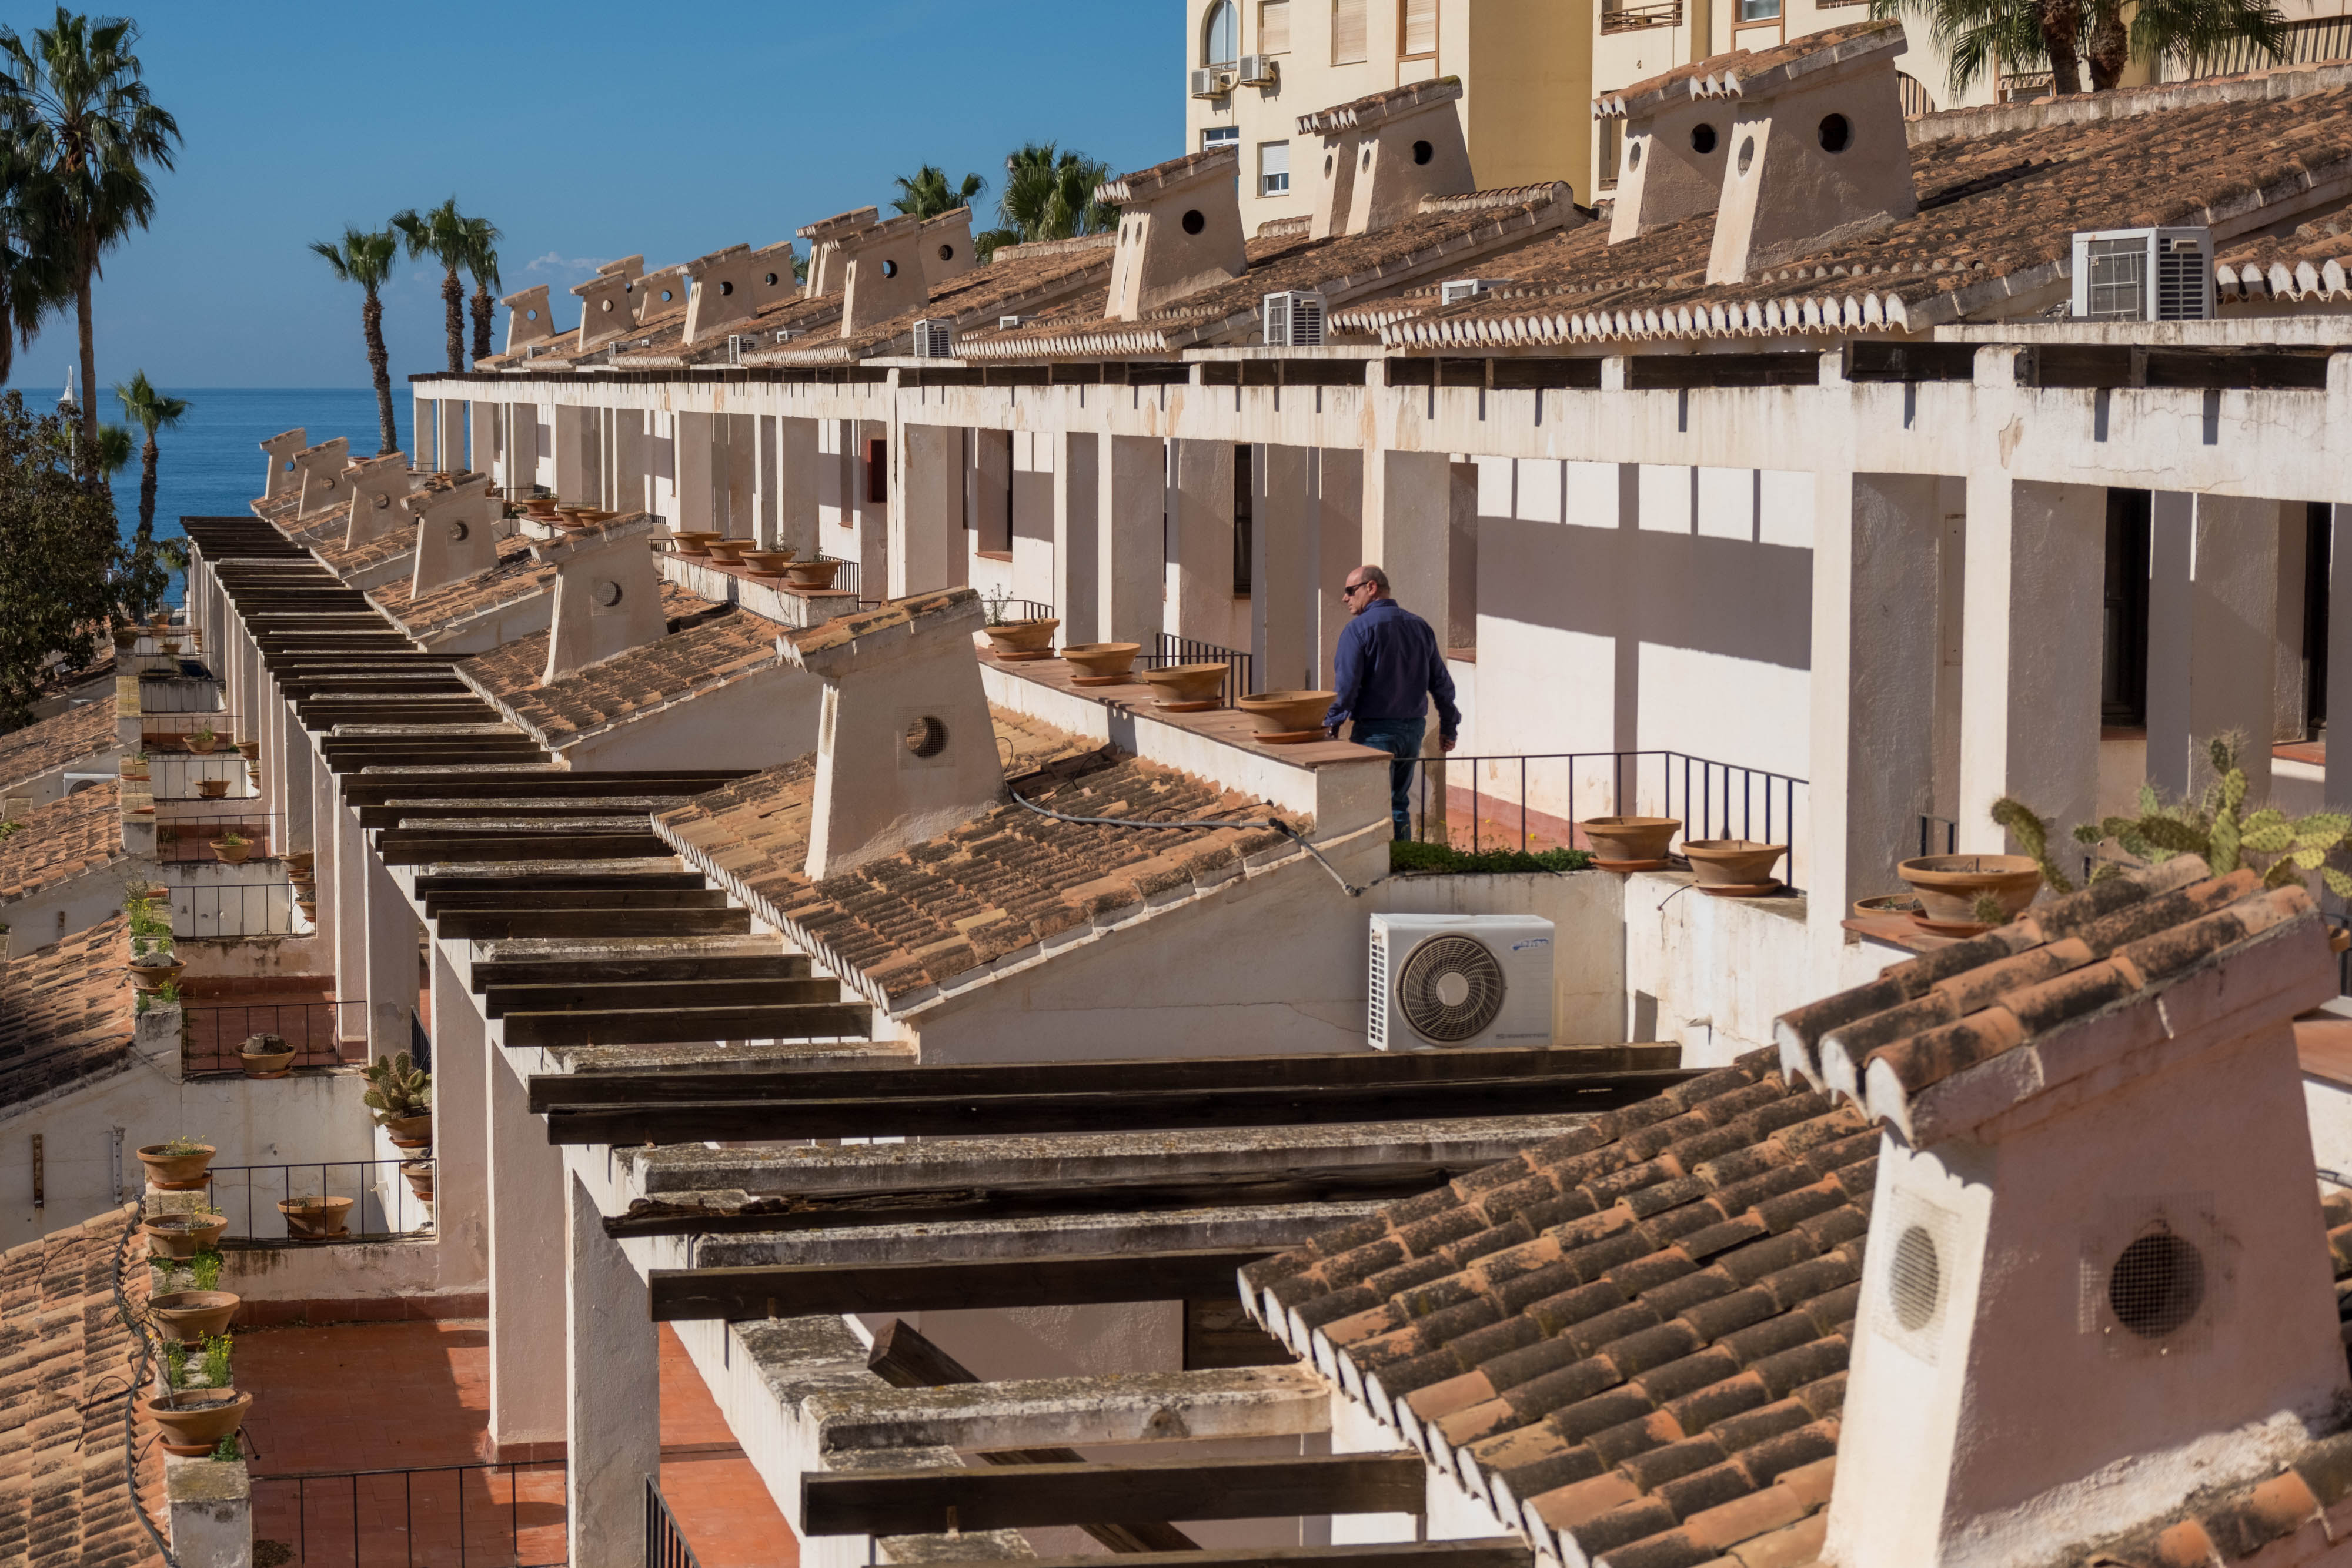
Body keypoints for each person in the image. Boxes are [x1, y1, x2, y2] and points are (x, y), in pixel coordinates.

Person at [1324, 563, 1459, 840]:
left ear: (1371, 588)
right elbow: (1442, 684)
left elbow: (1346, 687)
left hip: (1375, 733)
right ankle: (1401, 860)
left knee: (1370, 805)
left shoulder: (1357, 630)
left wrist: (1331, 725)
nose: (1345, 598)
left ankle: (1376, 867)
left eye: (1350, 591)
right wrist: (1449, 726)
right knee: (1398, 804)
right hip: (1412, 731)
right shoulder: (1420, 627)